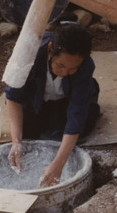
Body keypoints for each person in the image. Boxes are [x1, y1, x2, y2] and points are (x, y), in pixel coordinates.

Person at [5, 22, 100, 187]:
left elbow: (76, 114)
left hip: (65, 102)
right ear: (50, 49)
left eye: (72, 69)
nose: (64, 72)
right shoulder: (28, 53)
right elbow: (13, 97)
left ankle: (55, 129)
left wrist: (58, 164)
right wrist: (16, 142)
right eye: (61, 65)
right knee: (27, 130)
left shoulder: (85, 66)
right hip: (36, 99)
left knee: (83, 122)